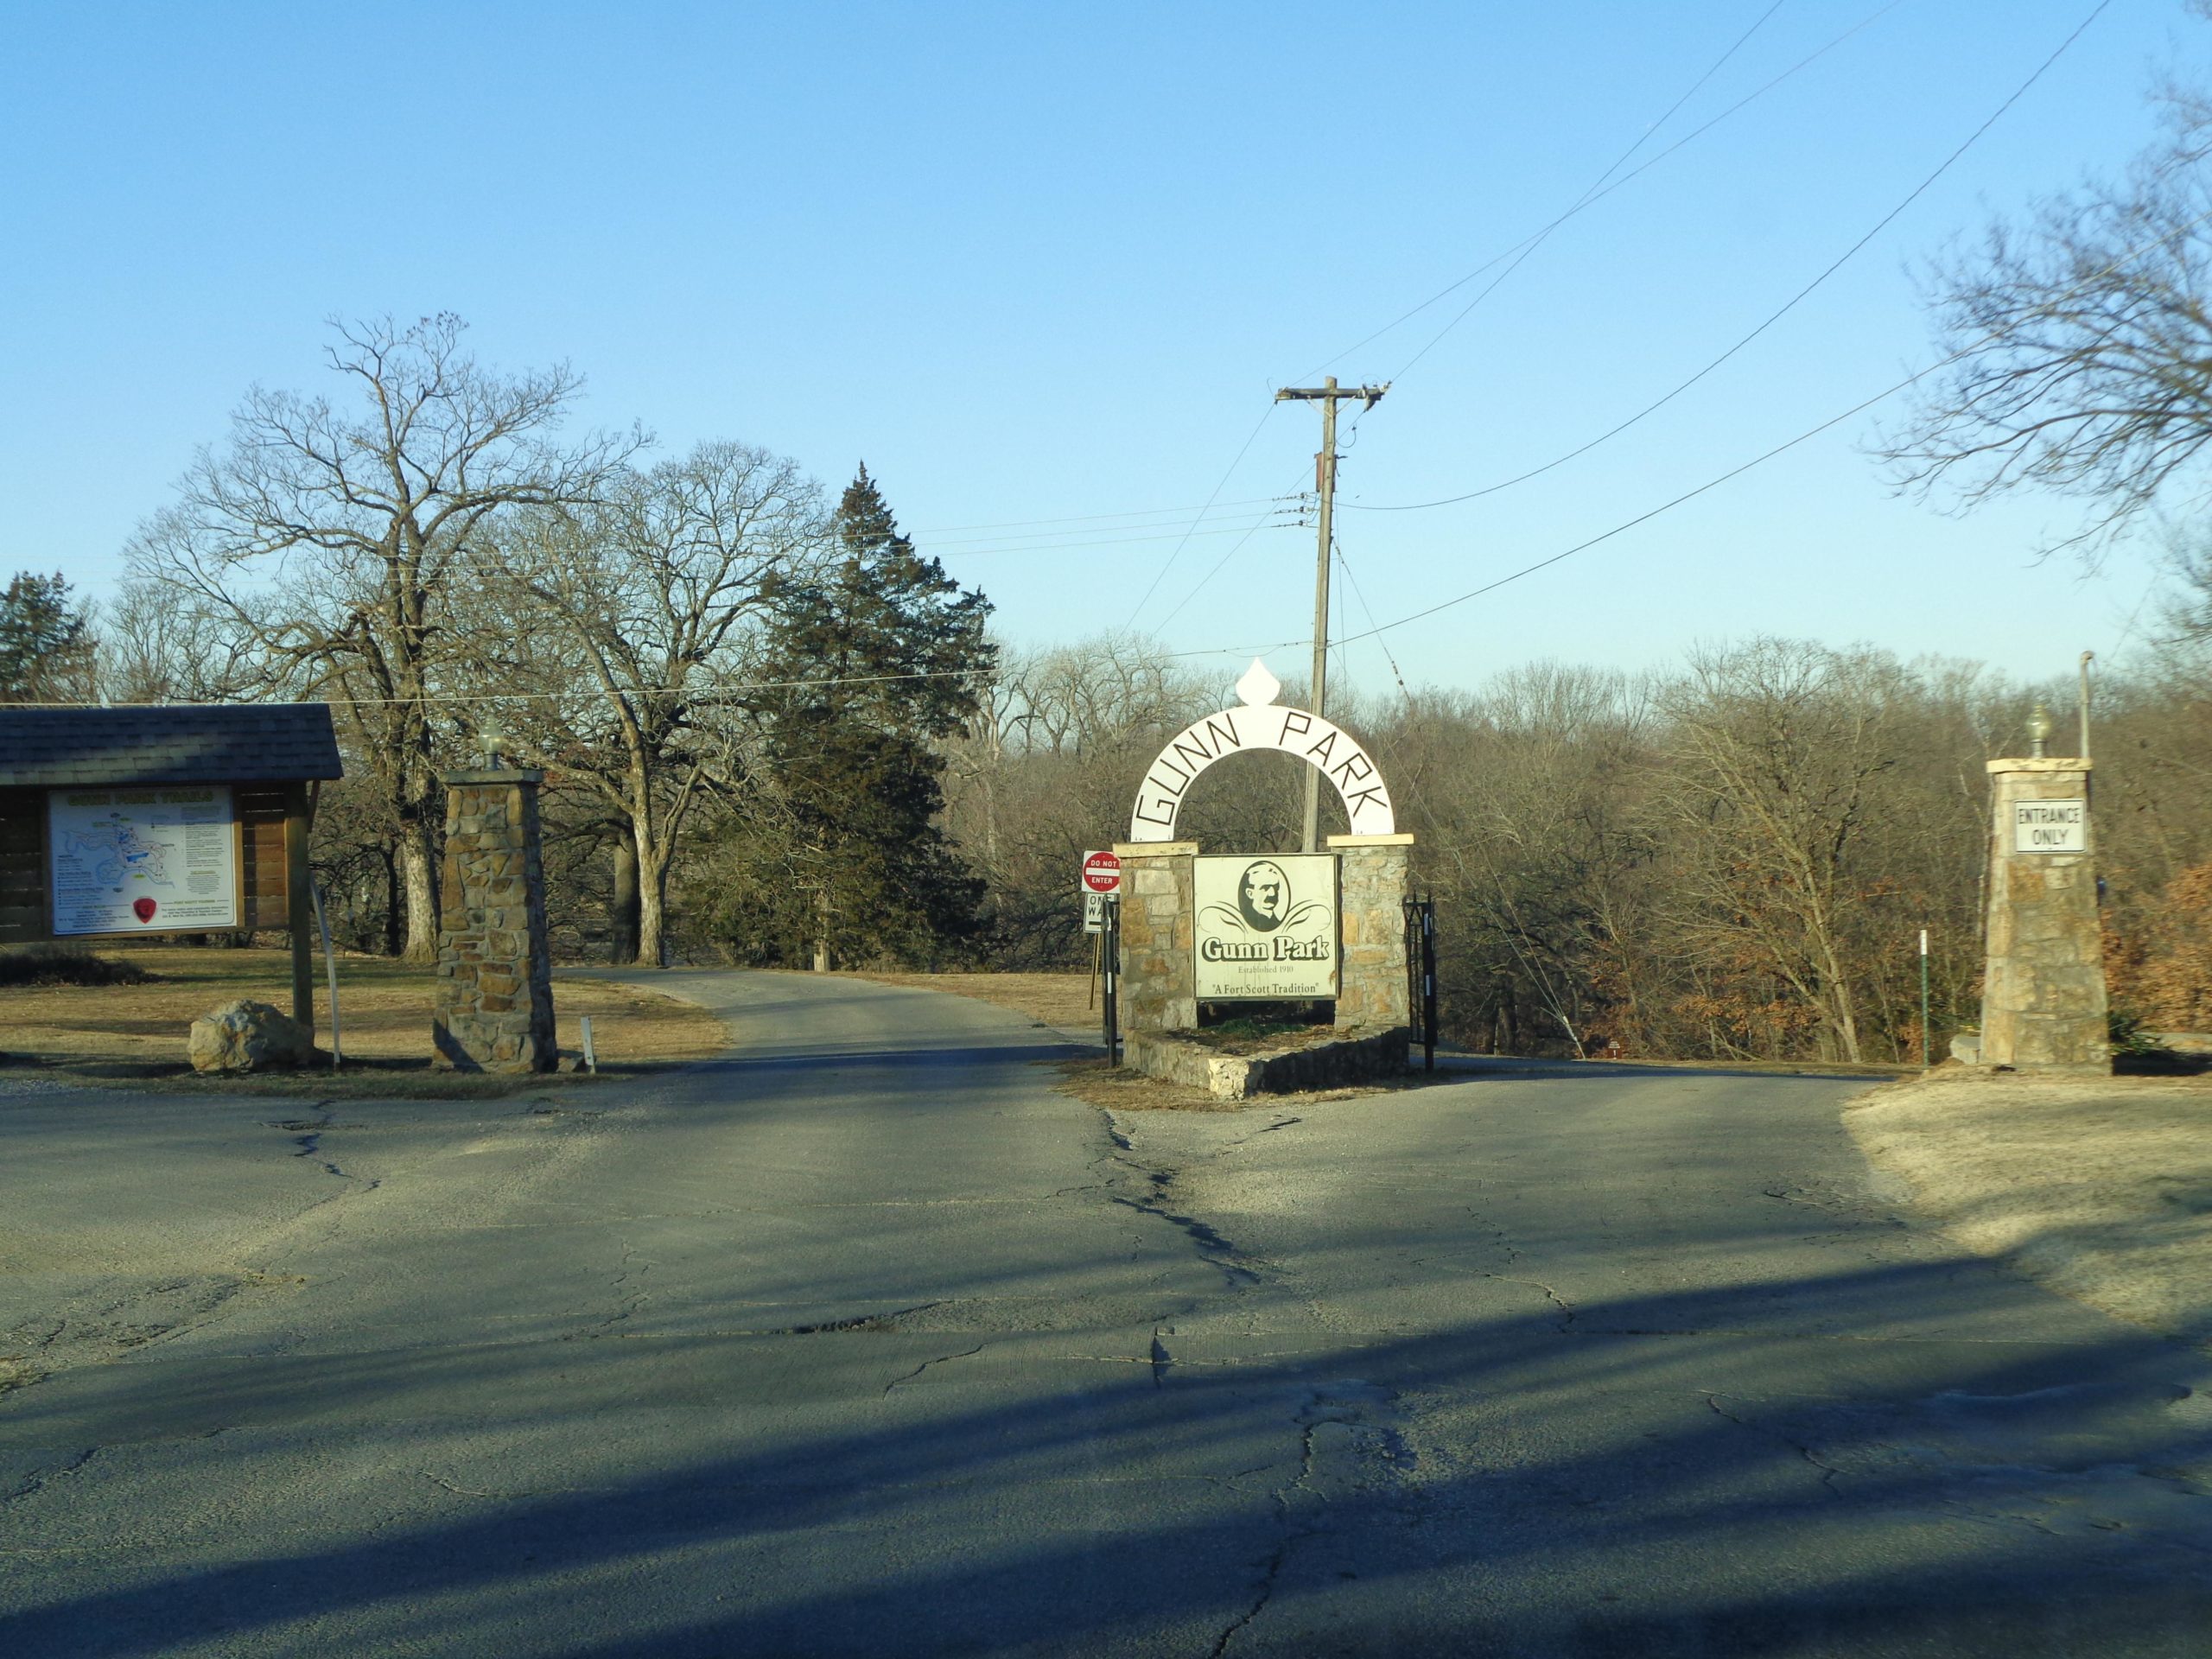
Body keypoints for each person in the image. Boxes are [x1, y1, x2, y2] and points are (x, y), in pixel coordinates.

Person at [1237, 860, 1291, 932]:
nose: (1272, 894)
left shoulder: (1279, 924)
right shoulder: (1245, 921)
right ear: (1250, 893)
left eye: (1275, 887)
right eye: (1265, 888)